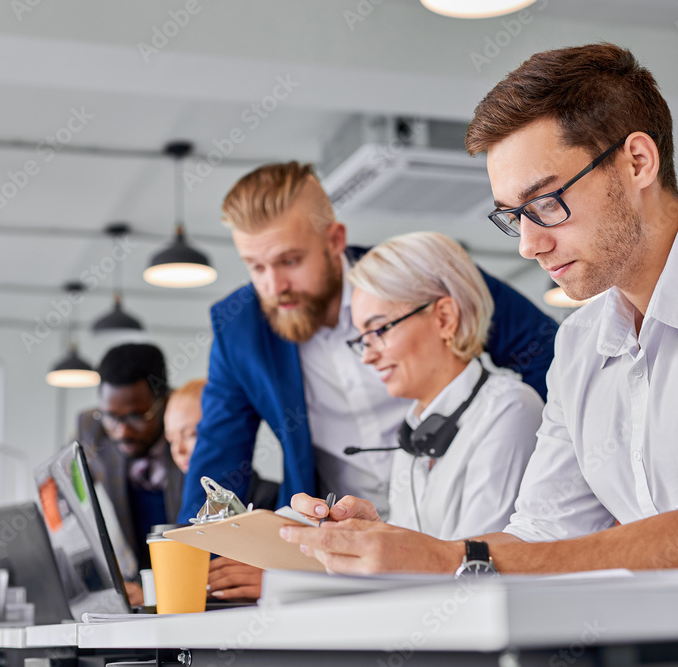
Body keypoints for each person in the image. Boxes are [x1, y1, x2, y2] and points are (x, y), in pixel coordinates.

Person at [281, 43, 678, 590]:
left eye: (546, 202)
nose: (528, 245)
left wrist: (446, 559)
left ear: (638, 162)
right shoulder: (580, 343)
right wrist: (407, 552)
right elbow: (540, 534)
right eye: (513, 217)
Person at [179, 163, 559, 524]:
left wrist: (557, 458)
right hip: (344, 528)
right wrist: (197, 566)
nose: (273, 286)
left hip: (458, 505)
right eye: (256, 267)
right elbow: (219, 457)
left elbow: (549, 354)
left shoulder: (417, 278)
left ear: (334, 240)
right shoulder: (241, 328)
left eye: (290, 261)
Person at [347, 231, 543, 539]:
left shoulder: (510, 408)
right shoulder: (413, 436)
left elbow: (480, 563)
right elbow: (414, 561)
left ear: (444, 318)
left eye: (380, 329)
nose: (367, 357)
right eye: (362, 339)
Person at [77, 343, 183, 602]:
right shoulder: (94, 428)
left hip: (189, 580)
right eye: (113, 417)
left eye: (137, 416)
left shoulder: (190, 426)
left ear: (164, 401)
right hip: (139, 583)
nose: (122, 432)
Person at [164, 378, 274, 600]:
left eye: (192, 435)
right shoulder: (180, 499)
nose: (179, 450)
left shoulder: (271, 499)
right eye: (171, 439)